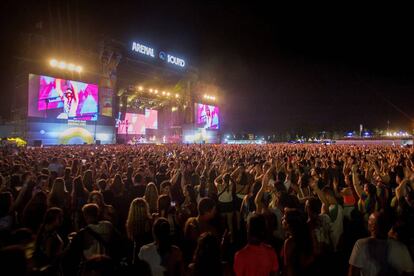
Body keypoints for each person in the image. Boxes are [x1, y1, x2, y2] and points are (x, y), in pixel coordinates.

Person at [349, 211, 414, 276]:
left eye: (368, 220)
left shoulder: (361, 244)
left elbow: (353, 272)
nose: (366, 222)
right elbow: (409, 272)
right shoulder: (402, 247)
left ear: (372, 226)